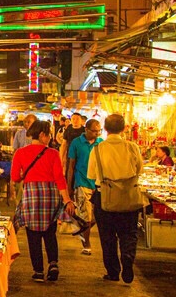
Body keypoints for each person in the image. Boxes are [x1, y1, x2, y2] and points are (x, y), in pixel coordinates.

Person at [11, 119, 75, 283]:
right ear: (42, 135)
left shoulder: (20, 153)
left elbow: (15, 178)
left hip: (31, 195)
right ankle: (53, 264)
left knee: (33, 235)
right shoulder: (53, 153)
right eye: (49, 135)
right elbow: (60, 179)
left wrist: (25, 175)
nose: (51, 138)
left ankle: (38, 271)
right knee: (49, 232)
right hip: (50, 196)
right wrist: (67, 200)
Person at [87, 114, 144, 284]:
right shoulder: (132, 147)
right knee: (129, 233)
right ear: (124, 128)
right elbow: (139, 169)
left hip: (105, 197)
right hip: (129, 197)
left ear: (104, 129)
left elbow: (91, 174)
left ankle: (113, 271)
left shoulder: (98, 149)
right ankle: (127, 256)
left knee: (108, 237)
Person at [66, 118, 103, 255]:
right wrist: (69, 186)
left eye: (98, 131)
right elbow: (71, 166)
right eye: (94, 131)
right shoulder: (76, 143)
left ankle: (80, 228)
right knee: (85, 216)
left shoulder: (101, 143)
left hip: (98, 184)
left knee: (96, 216)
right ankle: (86, 243)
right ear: (86, 130)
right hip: (82, 182)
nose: (96, 134)